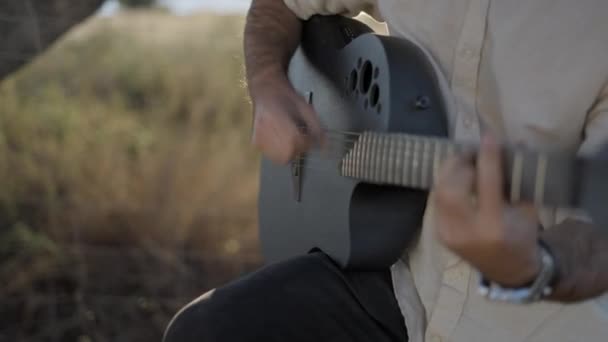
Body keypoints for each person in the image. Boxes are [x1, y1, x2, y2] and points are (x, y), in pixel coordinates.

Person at [163, 0, 608, 341]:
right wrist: (267, 85)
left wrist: (537, 266)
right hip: (396, 278)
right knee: (205, 330)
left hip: (541, 323)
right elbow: (277, 6)